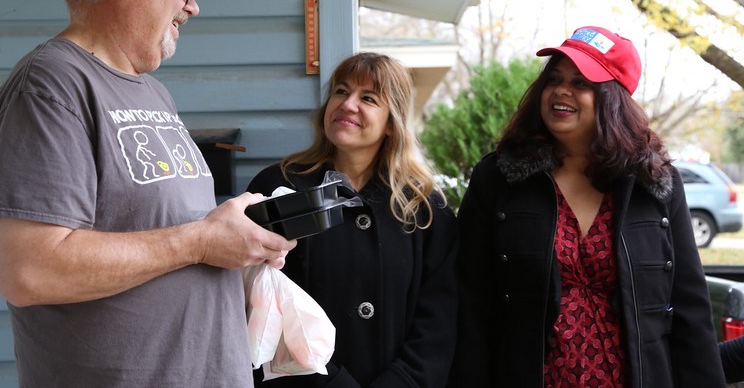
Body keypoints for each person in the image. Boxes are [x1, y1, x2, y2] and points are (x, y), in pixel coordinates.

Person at [0, 0, 296, 387]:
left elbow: (159, 235)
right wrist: (201, 241)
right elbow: (29, 270)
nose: (193, 5)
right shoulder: (51, 85)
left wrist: (242, 241)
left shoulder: (153, 92)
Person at [448, 26, 726, 387]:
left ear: (612, 99)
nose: (561, 91)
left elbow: (690, 308)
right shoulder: (498, 177)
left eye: (581, 83)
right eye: (555, 79)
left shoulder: (653, 182)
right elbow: (469, 302)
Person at [247, 52, 459, 386]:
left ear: (392, 122)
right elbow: (262, 304)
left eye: (369, 98)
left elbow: (439, 322)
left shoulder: (426, 209)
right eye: (341, 91)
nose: (348, 104)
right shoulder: (279, 188)